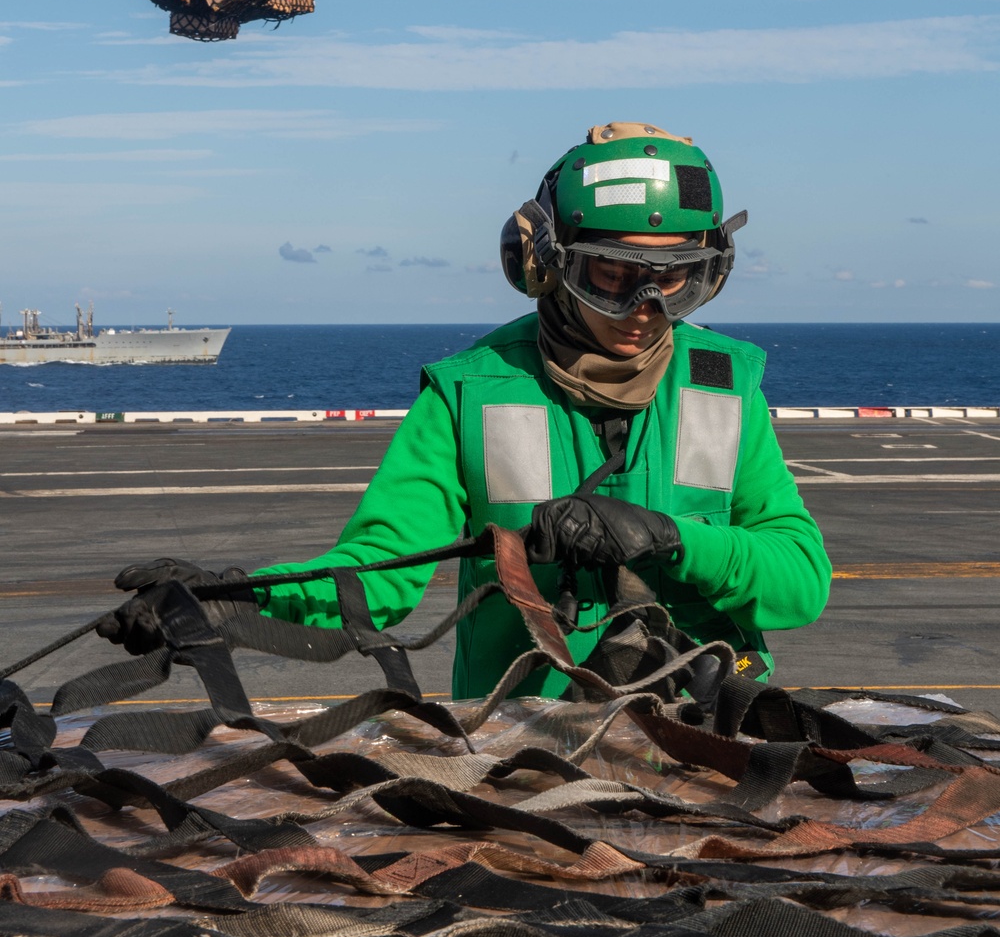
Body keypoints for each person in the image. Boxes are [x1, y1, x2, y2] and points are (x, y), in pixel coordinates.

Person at [98, 121, 831, 697]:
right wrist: (234, 600)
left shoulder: (727, 386)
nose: (647, 309)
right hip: (529, 759)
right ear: (545, 261)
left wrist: (672, 539)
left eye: (677, 279)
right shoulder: (469, 392)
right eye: (614, 274)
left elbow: (801, 580)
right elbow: (378, 575)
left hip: (705, 742)